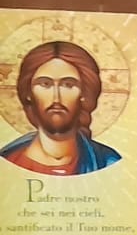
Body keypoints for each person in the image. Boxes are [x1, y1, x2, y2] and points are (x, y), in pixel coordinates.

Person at [2, 41, 123, 174]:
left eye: (68, 85)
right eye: (45, 84)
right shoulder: (7, 161)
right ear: (28, 93)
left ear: (84, 93)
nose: (56, 98)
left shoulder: (107, 162)